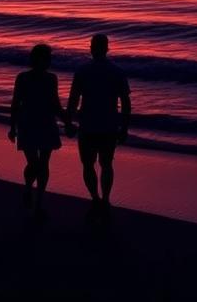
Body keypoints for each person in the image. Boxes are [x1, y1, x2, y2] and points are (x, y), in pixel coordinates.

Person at [66, 34, 131, 214]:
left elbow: (73, 99)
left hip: (87, 124)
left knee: (88, 165)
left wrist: (68, 122)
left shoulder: (82, 71)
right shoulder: (117, 71)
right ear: (107, 48)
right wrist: (124, 127)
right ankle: (106, 199)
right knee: (107, 164)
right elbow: (125, 102)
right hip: (109, 125)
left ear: (91, 48)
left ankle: (95, 197)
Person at [8, 43, 63, 216]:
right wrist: (12, 127)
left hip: (45, 122)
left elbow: (55, 104)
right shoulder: (22, 78)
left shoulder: (51, 78)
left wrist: (67, 120)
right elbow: (15, 103)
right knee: (34, 163)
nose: (49, 61)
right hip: (28, 123)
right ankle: (27, 189)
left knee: (43, 163)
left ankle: (39, 201)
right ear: (37, 59)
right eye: (46, 58)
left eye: (49, 58)